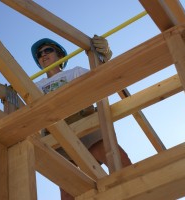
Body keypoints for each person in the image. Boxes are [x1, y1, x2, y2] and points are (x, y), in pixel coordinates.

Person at [31, 35, 132, 200]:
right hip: (56, 132)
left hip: (83, 121)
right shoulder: (36, 85)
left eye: (47, 50)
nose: (43, 55)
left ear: (60, 56)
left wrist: (102, 58)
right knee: (67, 189)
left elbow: (101, 78)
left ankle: (136, 193)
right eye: (39, 54)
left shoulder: (75, 72)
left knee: (118, 159)